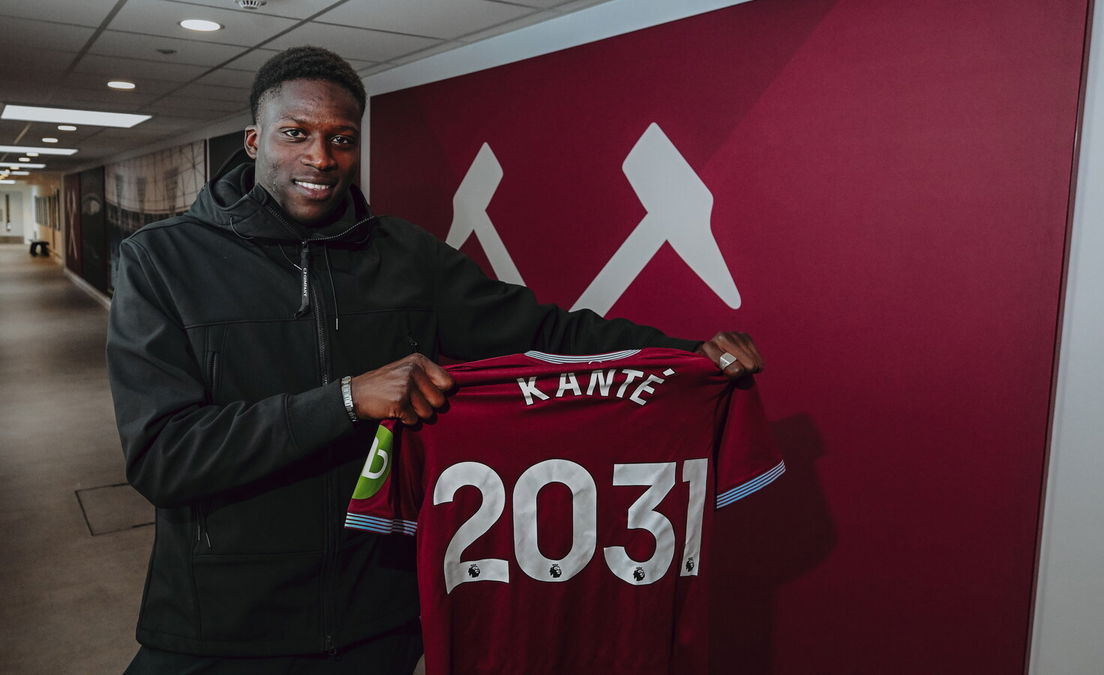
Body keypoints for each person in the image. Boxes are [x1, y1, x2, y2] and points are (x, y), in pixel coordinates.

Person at [106, 46, 763, 674]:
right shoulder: (162, 260)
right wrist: (345, 399)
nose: (320, 157)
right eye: (295, 133)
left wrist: (688, 356)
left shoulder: (407, 257)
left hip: (374, 615)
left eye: (341, 138)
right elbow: (164, 455)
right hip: (223, 617)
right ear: (254, 141)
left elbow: (543, 332)